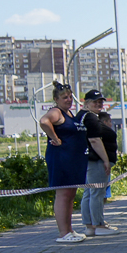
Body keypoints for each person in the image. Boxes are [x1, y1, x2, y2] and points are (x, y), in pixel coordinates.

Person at [39, 82, 90, 243]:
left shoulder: (69, 113)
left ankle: (69, 230)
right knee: (63, 194)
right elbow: (43, 121)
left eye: (70, 97)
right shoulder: (56, 112)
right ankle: (63, 233)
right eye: (64, 97)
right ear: (56, 99)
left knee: (71, 194)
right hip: (61, 159)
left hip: (73, 160)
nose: (68, 100)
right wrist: (55, 138)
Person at [79, 90, 119, 237]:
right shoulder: (90, 118)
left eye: (101, 101)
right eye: (95, 101)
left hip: (88, 159)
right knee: (97, 192)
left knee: (89, 192)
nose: (99, 104)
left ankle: (90, 225)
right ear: (86, 102)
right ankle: (98, 225)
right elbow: (94, 140)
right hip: (96, 160)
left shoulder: (83, 116)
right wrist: (106, 160)